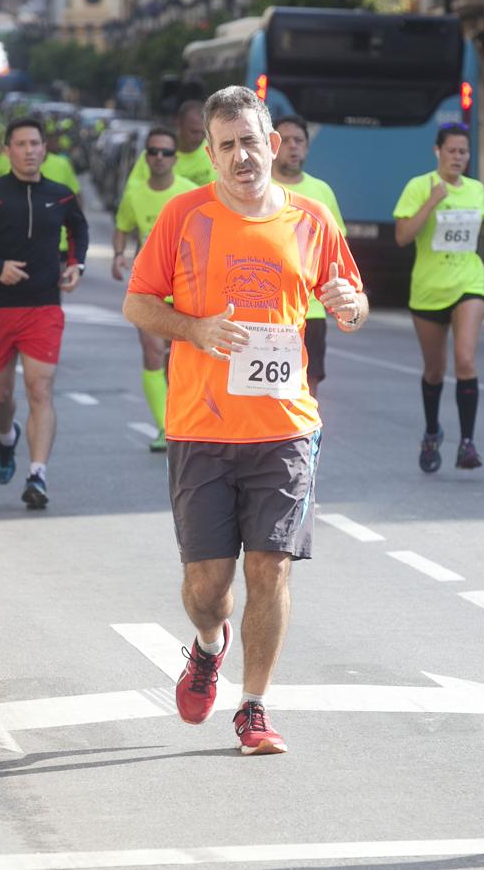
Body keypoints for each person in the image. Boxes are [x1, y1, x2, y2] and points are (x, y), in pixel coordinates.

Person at [122, 86, 367, 755]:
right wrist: (193, 327)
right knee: (209, 588)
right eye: (227, 145)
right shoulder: (184, 216)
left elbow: (349, 301)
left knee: (271, 569)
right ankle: (207, 645)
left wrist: (350, 304)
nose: (241, 157)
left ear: (274, 144)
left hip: (284, 428)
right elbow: (139, 305)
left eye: (251, 142)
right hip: (201, 428)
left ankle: (253, 706)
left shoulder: (312, 220)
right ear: (210, 152)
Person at [0, 117, 88, 509]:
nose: (29, 150)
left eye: (35, 143)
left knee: (39, 389)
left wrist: (75, 265)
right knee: (0, 395)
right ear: (8, 149)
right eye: (21, 144)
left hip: (44, 305)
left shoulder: (60, 196)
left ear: (45, 148)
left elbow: (78, 232)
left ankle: (37, 474)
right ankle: (5, 438)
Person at [393, 123, 484, 473]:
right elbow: (403, 236)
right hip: (428, 289)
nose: (458, 157)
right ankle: (431, 432)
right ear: (437, 151)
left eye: (464, 152)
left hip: (467, 282)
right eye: (452, 151)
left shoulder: (475, 188)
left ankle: (467, 443)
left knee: (465, 359)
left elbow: (480, 219)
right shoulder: (419, 186)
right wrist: (432, 201)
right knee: (434, 370)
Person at [112, 126, 197, 452]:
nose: (159, 158)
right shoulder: (134, 194)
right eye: (153, 152)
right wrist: (118, 254)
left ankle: (187, 420)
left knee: (180, 359)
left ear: (176, 158)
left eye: (166, 152)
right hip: (150, 288)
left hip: (188, 288)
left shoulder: (190, 192)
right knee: (151, 353)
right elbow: (122, 228)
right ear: (146, 157)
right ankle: (165, 427)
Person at [270, 114, 346, 400]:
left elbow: (336, 247)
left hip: (309, 309)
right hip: (262, 307)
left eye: (298, 141)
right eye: (284, 140)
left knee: (306, 386)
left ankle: (304, 443)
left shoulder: (320, 192)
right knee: (262, 390)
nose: (292, 147)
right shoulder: (257, 189)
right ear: (270, 146)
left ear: (307, 147)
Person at [128, 100, 217, 188]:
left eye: (204, 133)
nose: (199, 138)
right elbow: (134, 191)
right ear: (178, 124)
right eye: (194, 132)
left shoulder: (215, 153)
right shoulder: (155, 153)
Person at [39, 130, 82, 266]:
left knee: (54, 283)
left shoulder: (62, 164)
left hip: (60, 241)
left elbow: (76, 195)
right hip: (27, 241)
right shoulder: (19, 166)